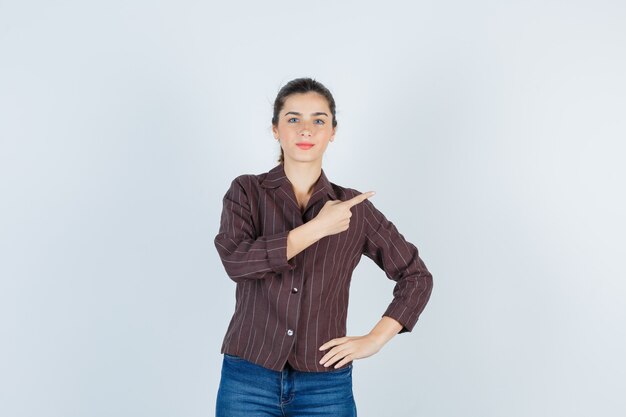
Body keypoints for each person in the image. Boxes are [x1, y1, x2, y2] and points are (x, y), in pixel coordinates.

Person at [213, 77, 433, 417]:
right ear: (275, 129)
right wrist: (317, 228)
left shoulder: (354, 208)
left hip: (325, 385)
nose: (306, 130)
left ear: (332, 131)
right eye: (293, 119)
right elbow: (237, 261)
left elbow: (416, 276)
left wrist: (374, 339)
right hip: (248, 377)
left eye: (318, 120)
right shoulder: (247, 192)